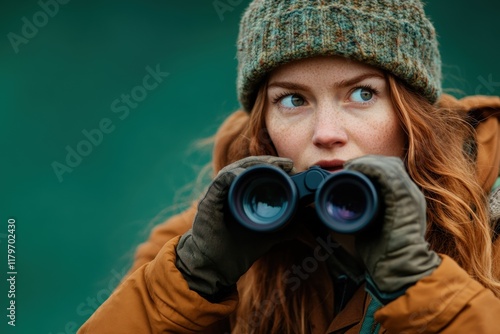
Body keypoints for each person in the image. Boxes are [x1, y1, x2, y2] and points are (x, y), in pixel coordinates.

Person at [79, 0, 500, 332]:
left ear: (413, 116)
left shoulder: (492, 217)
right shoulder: (211, 237)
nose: (326, 133)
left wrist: (419, 284)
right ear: (264, 125)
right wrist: (194, 279)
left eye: (362, 94)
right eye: (293, 100)